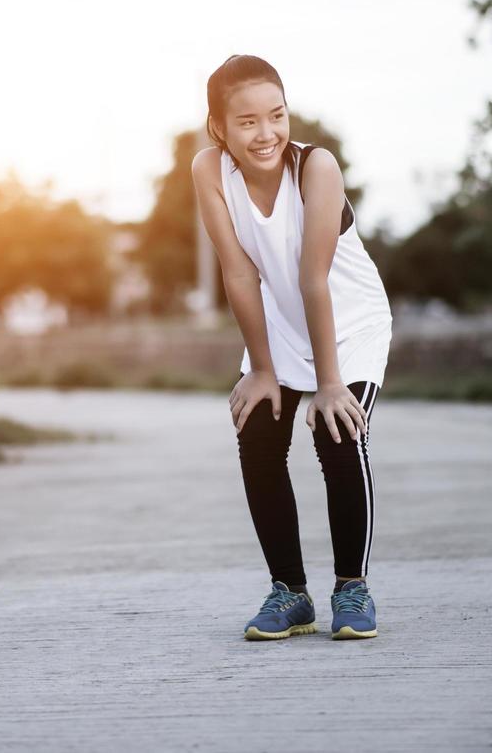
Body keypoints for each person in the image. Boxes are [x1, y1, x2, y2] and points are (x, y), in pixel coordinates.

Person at [190, 54, 392, 642]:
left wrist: (329, 385)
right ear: (219, 129)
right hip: (279, 318)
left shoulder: (316, 168)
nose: (266, 132)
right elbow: (237, 274)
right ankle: (290, 593)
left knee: (338, 432)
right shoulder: (209, 170)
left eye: (277, 115)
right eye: (247, 121)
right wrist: (263, 371)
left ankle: (351, 588)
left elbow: (314, 279)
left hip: (347, 322)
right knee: (258, 434)